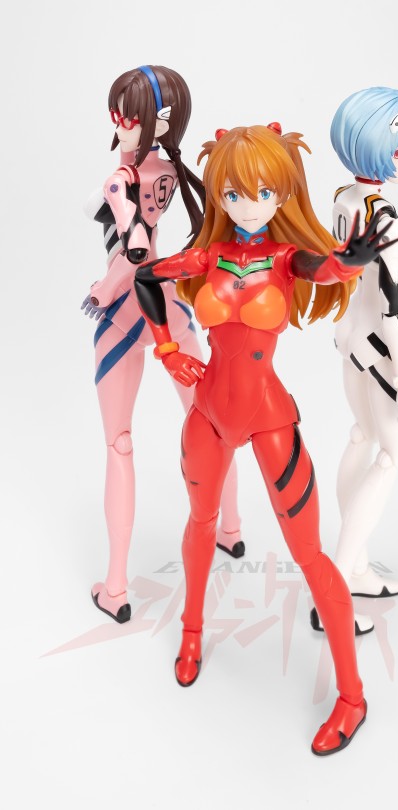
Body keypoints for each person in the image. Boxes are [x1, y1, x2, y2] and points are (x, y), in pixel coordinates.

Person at [134, 123, 396, 754]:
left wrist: (352, 259)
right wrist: (167, 351)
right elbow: (146, 279)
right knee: (200, 523)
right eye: (233, 192)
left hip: (270, 418)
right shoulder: (207, 258)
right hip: (208, 413)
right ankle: (191, 632)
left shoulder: (285, 259)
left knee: (310, 556)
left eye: (262, 192)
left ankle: (352, 698)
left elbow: (324, 266)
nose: (248, 204)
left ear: (282, 194)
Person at [83, 66, 242, 624]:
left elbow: (134, 247)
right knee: (210, 416)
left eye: (128, 114)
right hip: (168, 302)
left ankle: (116, 587)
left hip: (127, 309)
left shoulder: (122, 178)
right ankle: (231, 528)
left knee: (119, 442)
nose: (120, 123)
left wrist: (102, 290)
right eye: (119, 113)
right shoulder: (169, 169)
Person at [326, 87, 398, 634]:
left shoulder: (345, 198)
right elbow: (393, 309)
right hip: (381, 350)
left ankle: (357, 568)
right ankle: (334, 585)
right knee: (389, 457)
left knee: (361, 437)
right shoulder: (383, 216)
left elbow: (367, 254)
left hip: (349, 340)